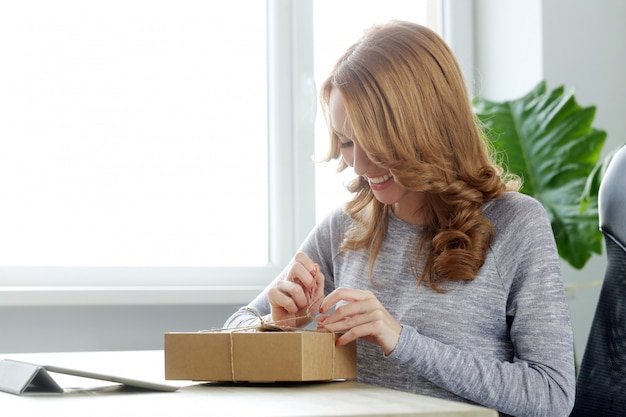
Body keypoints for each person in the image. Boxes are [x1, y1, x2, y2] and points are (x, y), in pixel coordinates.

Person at [225, 20, 575, 417]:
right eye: (346, 142)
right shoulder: (345, 227)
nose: (357, 164)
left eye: (374, 144)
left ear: (424, 129)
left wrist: (402, 340)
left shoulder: (516, 224)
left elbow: (552, 394)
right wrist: (275, 325)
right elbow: (232, 327)